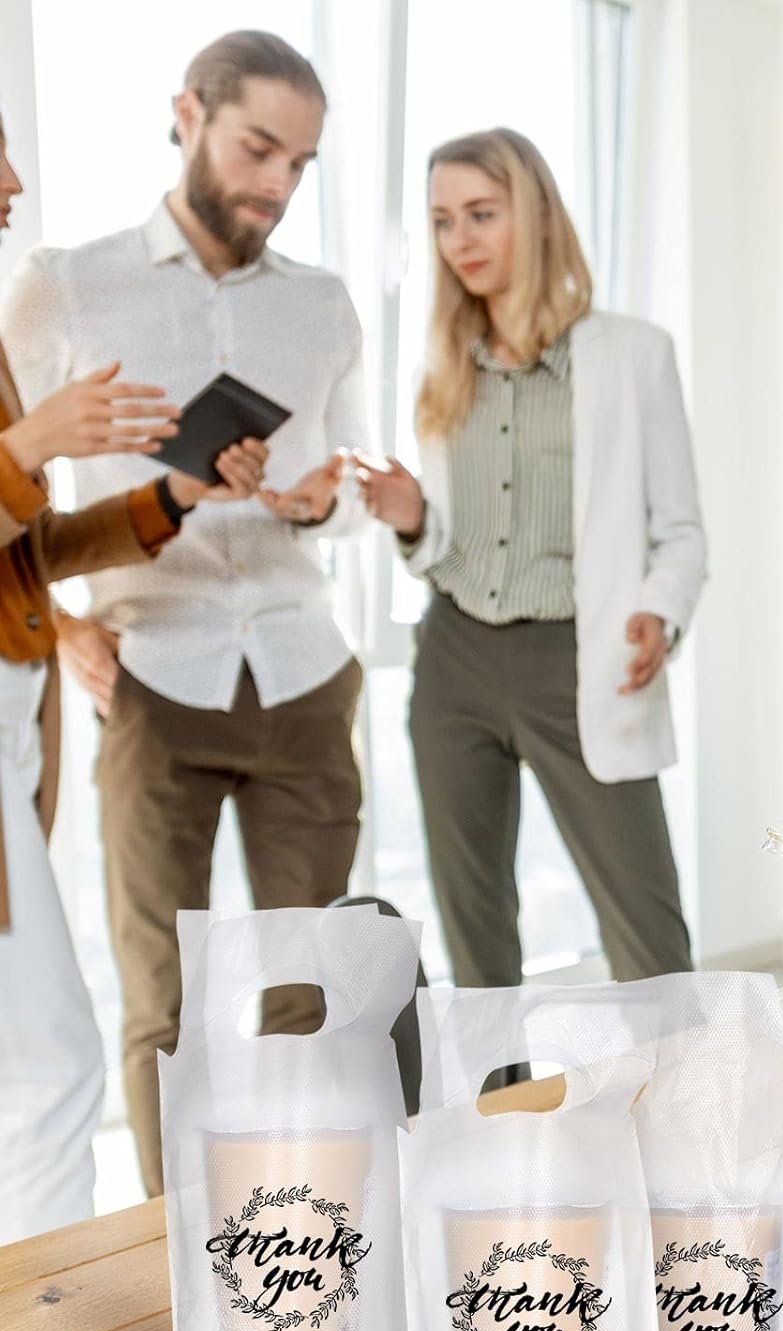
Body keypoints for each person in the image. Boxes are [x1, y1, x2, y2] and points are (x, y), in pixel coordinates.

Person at [0, 31, 372, 1199]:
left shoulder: (323, 305)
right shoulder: (66, 281)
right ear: (189, 115)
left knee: (312, 991)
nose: (275, 183)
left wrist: (322, 505)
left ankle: (307, 1241)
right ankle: (171, 1256)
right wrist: (57, 625)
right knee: (164, 1004)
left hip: (305, 674)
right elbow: (14, 495)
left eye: (300, 165)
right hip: (152, 677)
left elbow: (348, 493)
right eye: (259, 146)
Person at [361, 127, 706, 1008]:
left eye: (482, 213)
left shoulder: (633, 355)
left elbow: (682, 532)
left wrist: (658, 615)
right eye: (442, 221)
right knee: (475, 934)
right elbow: (446, 543)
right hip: (455, 661)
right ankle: (496, 1127)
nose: (460, 240)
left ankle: (694, 1123)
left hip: (578, 658)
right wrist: (411, 522)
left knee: (649, 937)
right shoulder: (439, 368)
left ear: (537, 216)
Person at [0, 115, 267, 1241]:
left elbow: (25, 554)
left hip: (18, 721)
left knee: (37, 1059)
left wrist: (170, 501)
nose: (14, 179)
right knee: (53, 1067)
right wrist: (25, 449)